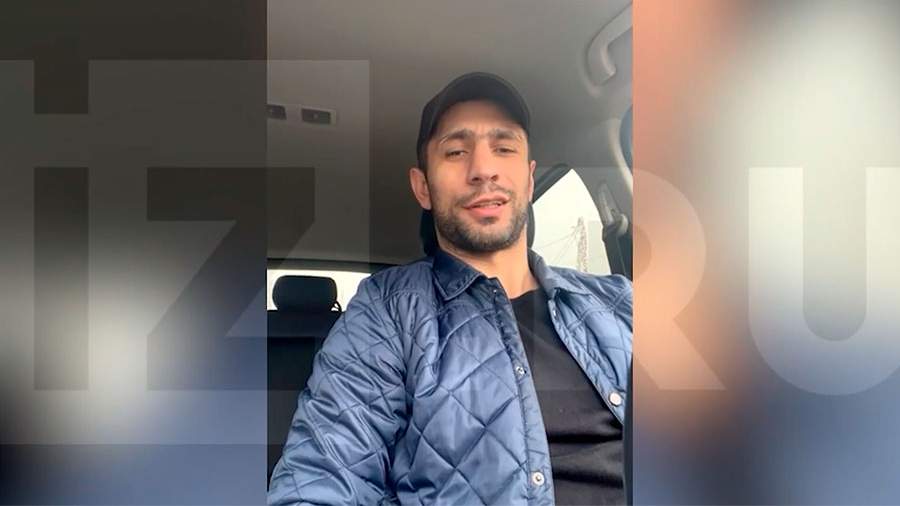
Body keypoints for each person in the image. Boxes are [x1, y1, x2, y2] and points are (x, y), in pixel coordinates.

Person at [269, 72, 632, 505]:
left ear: (530, 179)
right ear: (422, 187)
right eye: (457, 152)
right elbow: (320, 479)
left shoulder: (620, 301)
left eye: (504, 148)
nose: (483, 169)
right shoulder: (387, 312)